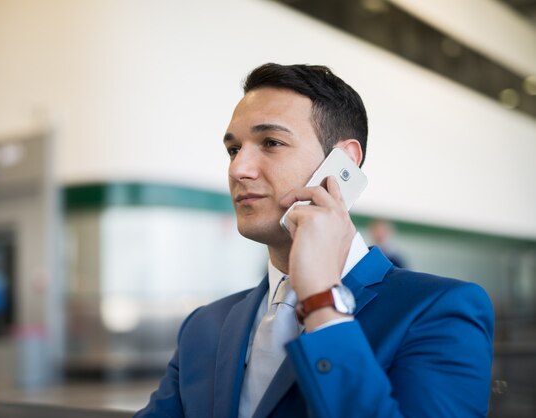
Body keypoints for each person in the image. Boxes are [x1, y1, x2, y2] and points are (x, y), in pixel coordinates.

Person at [134, 63, 494, 417]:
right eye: (233, 149)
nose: (238, 169)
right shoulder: (203, 326)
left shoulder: (441, 310)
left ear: (344, 164)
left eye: (271, 142)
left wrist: (322, 301)